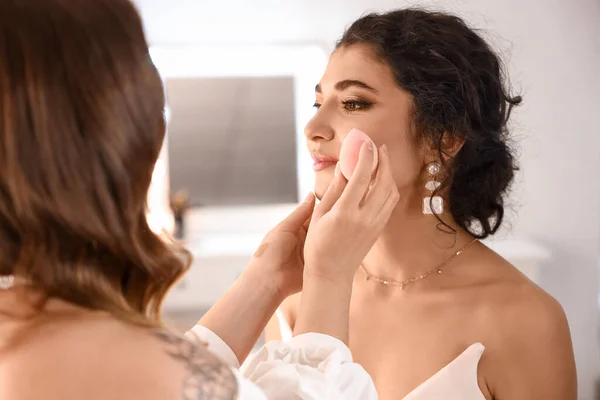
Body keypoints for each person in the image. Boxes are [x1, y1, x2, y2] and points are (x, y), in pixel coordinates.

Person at [0, 0, 401, 399]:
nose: (312, 127)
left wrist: (266, 280)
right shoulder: (81, 353)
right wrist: (328, 278)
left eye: (354, 103)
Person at [265, 8, 577, 400]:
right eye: (317, 103)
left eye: (353, 102)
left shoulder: (525, 319)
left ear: (443, 137)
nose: (313, 129)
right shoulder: (296, 299)